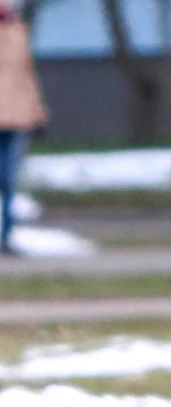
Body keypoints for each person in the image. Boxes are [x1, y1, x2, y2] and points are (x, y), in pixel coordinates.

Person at [0, 0, 47, 256]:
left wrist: (37, 112)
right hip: (12, 114)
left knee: (8, 180)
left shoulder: (18, 34)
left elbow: (26, 76)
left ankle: (6, 235)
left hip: (15, 117)